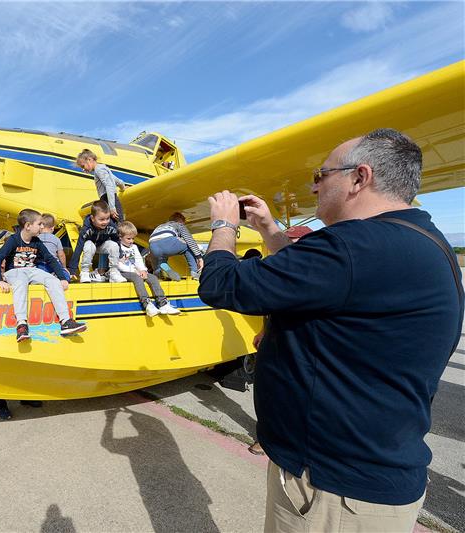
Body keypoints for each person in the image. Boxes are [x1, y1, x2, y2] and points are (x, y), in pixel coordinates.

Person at [198, 128, 463, 532]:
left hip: (330, 490)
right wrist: (269, 229)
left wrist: (223, 226)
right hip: (370, 472)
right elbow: (315, 278)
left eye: (322, 175)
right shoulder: (418, 239)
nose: (313, 184)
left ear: (360, 177)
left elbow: (221, 285)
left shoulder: (352, 247)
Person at [0, 209, 87, 342]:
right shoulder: (13, 240)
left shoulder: (36, 241)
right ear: (28, 226)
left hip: (32, 270)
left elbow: (50, 259)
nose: (42, 227)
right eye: (39, 224)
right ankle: (21, 324)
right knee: (20, 282)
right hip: (14, 272)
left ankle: (66, 321)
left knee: (52, 281)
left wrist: (62, 277)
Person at [116, 221, 180, 316]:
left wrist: (143, 270)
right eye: (128, 239)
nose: (131, 241)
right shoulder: (117, 247)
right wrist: (135, 272)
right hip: (122, 272)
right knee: (137, 278)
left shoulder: (134, 247)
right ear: (120, 237)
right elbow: (118, 264)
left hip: (136, 271)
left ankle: (163, 303)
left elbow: (138, 260)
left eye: (133, 238)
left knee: (153, 278)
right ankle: (146, 304)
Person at [68, 201, 123, 283]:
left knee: (114, 245)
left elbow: (116, 240)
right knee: (89, 245)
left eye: (107, 218)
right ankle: (85, 272)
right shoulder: (86, 229)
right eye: (101, 219)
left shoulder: (111, 226)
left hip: (102, 246)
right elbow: (79, 247)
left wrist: (121, 254)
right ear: (92, 218)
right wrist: (72, 269)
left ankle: (113, 272)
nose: (105, 222)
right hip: (90, 246)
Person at [148, 212, 204, 281]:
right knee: (188, 246)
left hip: (152, 245)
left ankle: (160, 276)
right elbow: (190, 241)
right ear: (181, 221)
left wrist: (155, 269)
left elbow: (155, 241)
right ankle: (195, 273)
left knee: (161, 262)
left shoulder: (160, 226)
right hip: (168, 241)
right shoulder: (179, 225)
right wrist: (199, 257)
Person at [75, 149, 126, 221]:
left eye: (83, 166)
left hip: (108, 199)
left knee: (117, 226)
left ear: (89, 159)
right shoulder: (102, 168)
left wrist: (112, 207)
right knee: (117, 224)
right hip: (110, 200)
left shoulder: (99, 170)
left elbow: (109, 186)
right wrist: (123, 187)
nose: (83, 170)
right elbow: (116, 180)